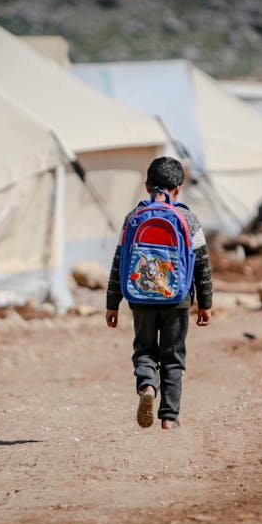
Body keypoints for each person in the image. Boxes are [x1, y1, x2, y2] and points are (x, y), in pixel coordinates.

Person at [105, 156, 213, 430]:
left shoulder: (133, 217)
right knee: (173, 355)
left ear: (146, 186)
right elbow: (202, 264)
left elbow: (120, 261)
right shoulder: (188, 218)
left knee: (144, 349)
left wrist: (112, 303)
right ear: (179, 188)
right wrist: (205, 303)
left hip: (140, 297)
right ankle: (169, 417)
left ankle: (147, 388)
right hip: (178, 299)